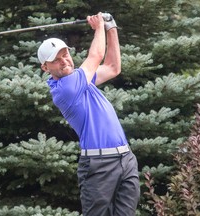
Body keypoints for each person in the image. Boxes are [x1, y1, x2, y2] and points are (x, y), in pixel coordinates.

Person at [37, 12, 140, 216]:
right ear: (45, 67)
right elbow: (95, 56)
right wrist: (99, 26)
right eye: (56, 60)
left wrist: (112, 28)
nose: (64, 61)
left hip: (126, 158)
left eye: (65, 54)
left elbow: (112, 67)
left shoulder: (80, 80)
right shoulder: (66, 88)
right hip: (98, 166)